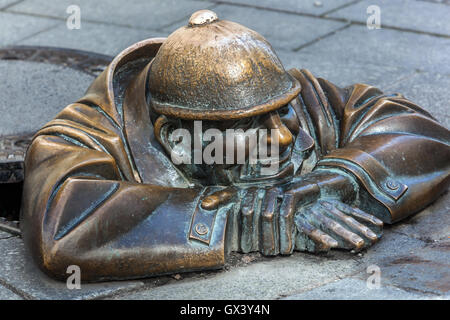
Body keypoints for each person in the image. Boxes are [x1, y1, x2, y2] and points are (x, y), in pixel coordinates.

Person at [21, 10, 450, 281]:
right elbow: (62, 221)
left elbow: (420, 131)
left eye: (280, 113)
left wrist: (331, 182)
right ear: (177, 139)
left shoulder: (287, 95)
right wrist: (242, 219)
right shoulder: (83, 135)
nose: (284, 135)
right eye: (248, 125)